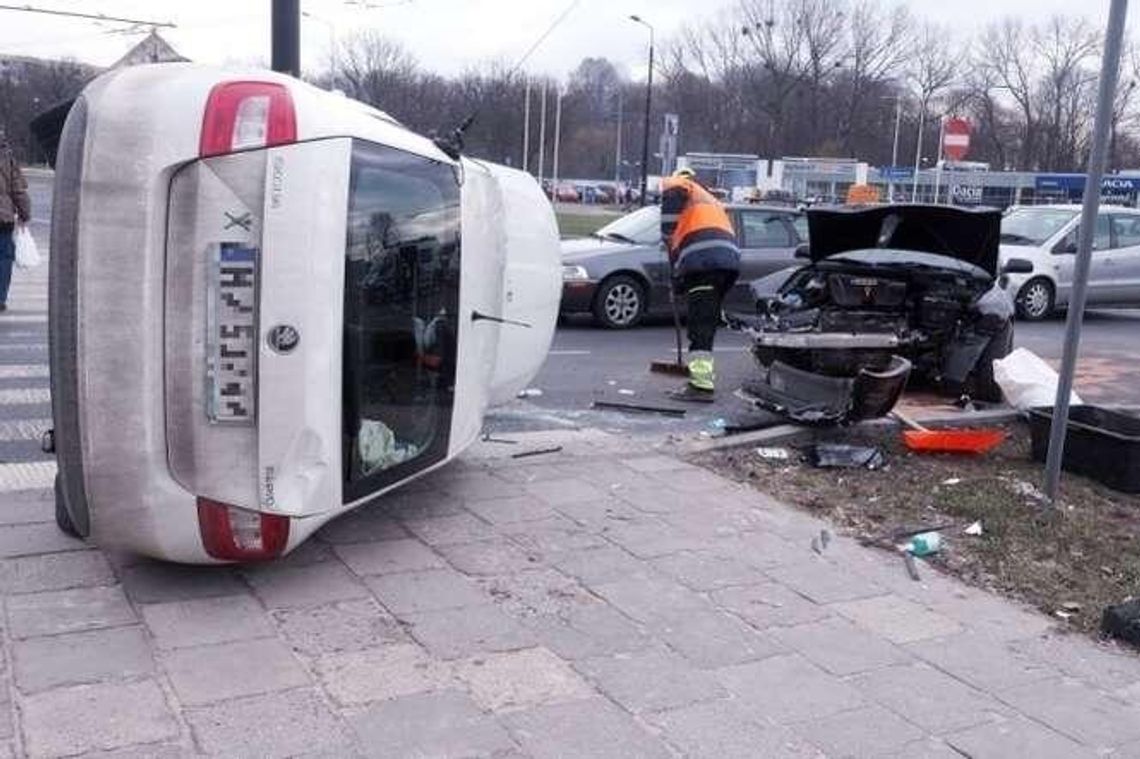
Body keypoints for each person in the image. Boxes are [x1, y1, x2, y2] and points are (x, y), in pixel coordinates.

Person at [660, 166, 740, 401]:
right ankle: (701, 378)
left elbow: (678, 241)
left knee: (700, 326)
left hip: (705, 264)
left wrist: (666, 232)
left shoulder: (678, 186)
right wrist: (678, 283)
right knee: (706, 322)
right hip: (724, 265)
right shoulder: (708, 200)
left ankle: (701, 385)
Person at [0, 134, 31, 313]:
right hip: (3, 218)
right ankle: (0, 297)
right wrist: (24, 213)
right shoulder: (7, 159)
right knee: (4, 257)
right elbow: (18, 190)